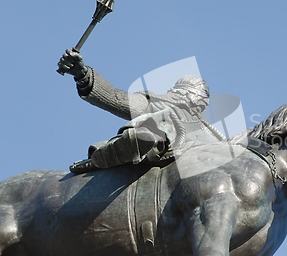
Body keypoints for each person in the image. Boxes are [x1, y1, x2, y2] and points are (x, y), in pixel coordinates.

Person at [57, 49, 225, 174]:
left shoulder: (211, 133)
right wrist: (83, 75)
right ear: (182, 92)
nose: (202, 101)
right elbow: (116, 98)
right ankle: (107, 156)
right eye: (199, 94)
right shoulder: (158, 103)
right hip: (152, 153)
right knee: (154, 129)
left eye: (204, 98)